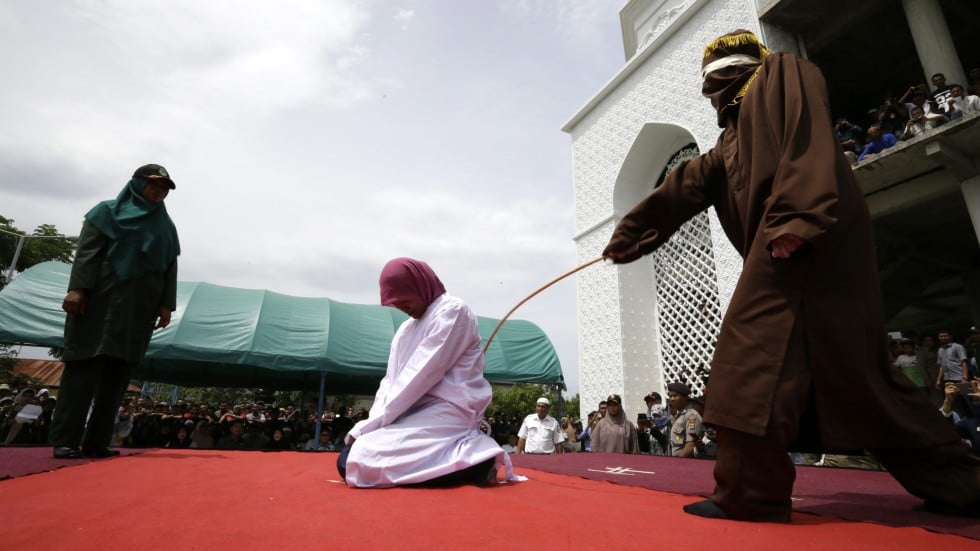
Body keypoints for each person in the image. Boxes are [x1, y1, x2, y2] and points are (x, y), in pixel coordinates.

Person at [602, 30, 980, 522]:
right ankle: (963, 484)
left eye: (712, 79)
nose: (707, 90)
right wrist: (634, 234)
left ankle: (750, 493)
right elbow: (687, 184)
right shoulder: (729, 143)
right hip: (801, 248)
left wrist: (796, 217)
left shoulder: (780, 74)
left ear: (733, 70)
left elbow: (806, 135)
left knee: (746, 359)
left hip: (802, 240)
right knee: (865, 386)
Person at [337, 258, 521, 487]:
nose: (401, 307)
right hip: (410, 413)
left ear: (419, 286)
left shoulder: (453, 311)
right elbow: (391, 382)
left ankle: (478, 462)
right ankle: (460, 462)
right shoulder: (405, 330)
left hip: (449, 412)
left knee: (358, 459)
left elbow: (419, 375)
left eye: (404, 299)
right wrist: (371, 424)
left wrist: (368, 428)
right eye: (395, 303)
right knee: (353, 455)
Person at [49, 164, 179, 460]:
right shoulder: (106, 212)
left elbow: (169, 267)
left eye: (164, 187)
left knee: (117, 377)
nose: (159, 190)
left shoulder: (166, 227)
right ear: (136, 183)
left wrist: (165, 305)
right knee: (83, 370)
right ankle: (65, 440)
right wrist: (78, 288)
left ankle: (97, 442)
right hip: (99, 303)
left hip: (138, 310)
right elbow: (87, 253)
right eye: (153, 184)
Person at [666, 383, 703, 458]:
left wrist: (677, 463)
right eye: (670, 396)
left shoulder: (691, 415)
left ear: (685, 397)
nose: (672, 399)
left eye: (675, 395)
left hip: (685, 462)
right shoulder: (679, 415)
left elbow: (691, 445)